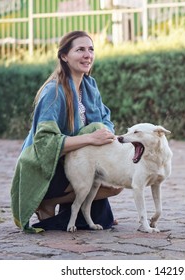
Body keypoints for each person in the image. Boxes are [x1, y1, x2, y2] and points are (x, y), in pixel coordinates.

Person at [10, 30, 122, 233]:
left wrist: (105, 135)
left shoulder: (89, 85)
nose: (88, 55)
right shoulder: (53, 91)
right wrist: (91, 138)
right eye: (80, 49)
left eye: (91, 49)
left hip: (75, 160)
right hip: (45, 167)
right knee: (109, 179)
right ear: (64, 56)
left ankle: (76, 208)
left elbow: (105, 120)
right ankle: (46, 201)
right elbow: (44, 143)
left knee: (116, 181)